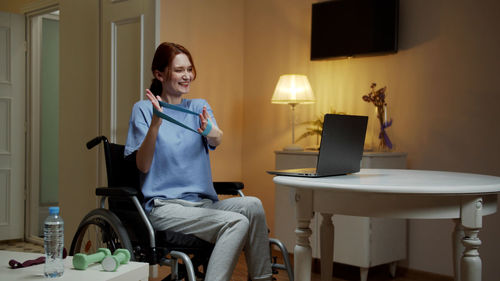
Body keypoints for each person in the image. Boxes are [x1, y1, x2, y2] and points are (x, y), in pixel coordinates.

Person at [124, 42, 272, 281]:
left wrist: (208, 131)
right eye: (179, 70)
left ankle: (262, 278)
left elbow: (218, 137)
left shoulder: (198, 106)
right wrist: (155, 125)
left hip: (203, 205)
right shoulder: (143, 110)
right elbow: (142, 166)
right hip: (166, 207)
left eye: (189, 69)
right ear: (159, 74)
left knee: (253, 205)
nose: (187, 76)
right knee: (236, 222)